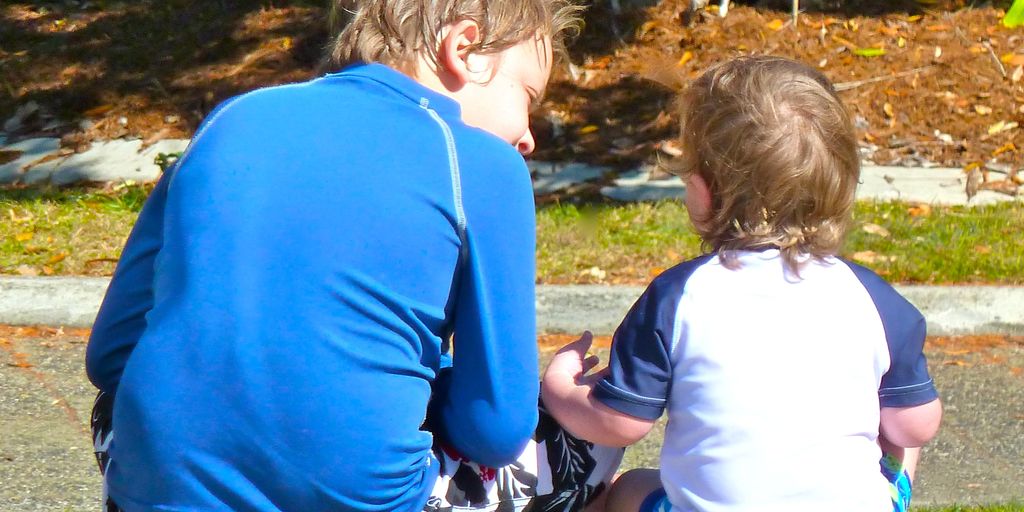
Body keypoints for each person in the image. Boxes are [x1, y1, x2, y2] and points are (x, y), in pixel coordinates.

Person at [85, 0, 622, 510]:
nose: (529, 137)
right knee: (591, 436)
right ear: (462, 48)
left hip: (159, 486)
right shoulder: (482, 162)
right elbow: (496, 430)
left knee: (128, 405)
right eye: (528, 95)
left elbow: (111, 356)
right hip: (362, 495)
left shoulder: (232, 117)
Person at [540, 55, 942, 512]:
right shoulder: (873, 298)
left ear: (705, 191)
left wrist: (560, 388)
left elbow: (619, 422)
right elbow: (915, 427)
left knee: (631, 488)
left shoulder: (678, 297)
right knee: (900, 431)